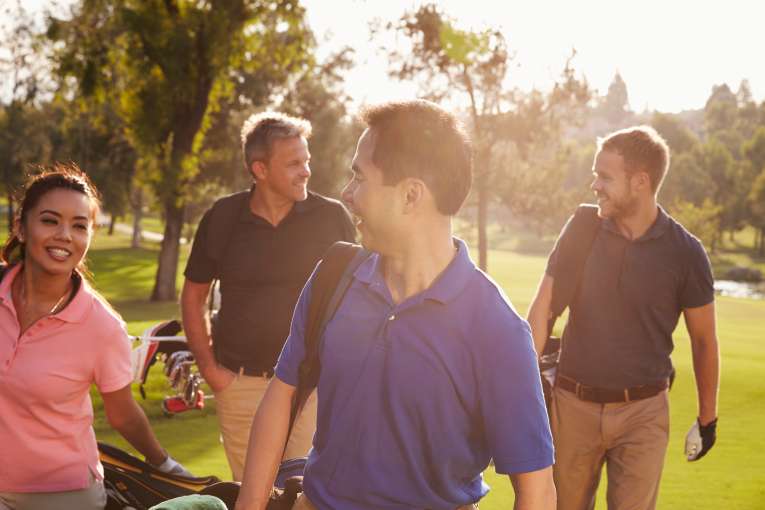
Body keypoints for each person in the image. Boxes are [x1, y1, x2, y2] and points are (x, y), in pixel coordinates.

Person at [235, 100, 556, 510]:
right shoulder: (334, 276)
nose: (347, 194)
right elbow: (282, 395)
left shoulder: (498, 329)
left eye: (359, 178)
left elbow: (537, 491)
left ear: (410, 195)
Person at [527, 126, 720, 510]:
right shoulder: (583, 228)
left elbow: (703, 341)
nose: (595, 185)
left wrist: (707, 419)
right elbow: (543, 309)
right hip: (573, 406)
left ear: (640, 182)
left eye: (604, 177)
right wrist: (524, 393)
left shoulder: (686, 253)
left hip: (643, 415)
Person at [0, 165, 190, 510]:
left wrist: (165, 465)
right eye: (49, 220)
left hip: (62, 495)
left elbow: (123, 414)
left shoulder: (101, 326)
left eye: (79, 226)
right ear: (21, 228)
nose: (64, 235)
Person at [181, 112, 356, 481]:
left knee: (306, 494)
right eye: (294, 163)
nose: (306, 171)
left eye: (306, 161)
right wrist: (212, 372)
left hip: (308, 388)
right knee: (251, 497)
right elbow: (194, 296)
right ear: (259, 169)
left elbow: (358, 294)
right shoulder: (223, 217)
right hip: (239, 386)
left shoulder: (332, 218)